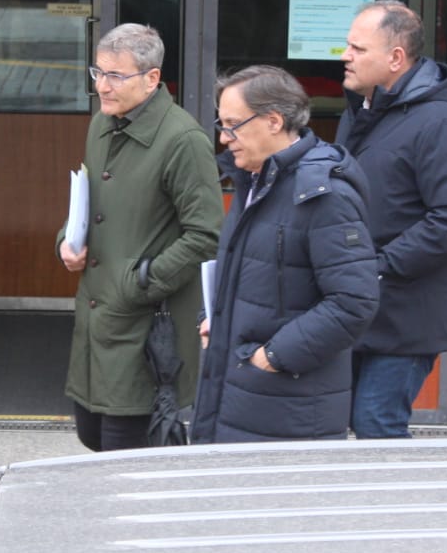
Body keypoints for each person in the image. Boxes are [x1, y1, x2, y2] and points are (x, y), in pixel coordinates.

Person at [190, 66, 379, 443]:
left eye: (232, 125)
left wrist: (272, 357)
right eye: (221, 125)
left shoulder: (323, 194)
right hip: (243, 394)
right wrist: (213, 316)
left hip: (285, 406)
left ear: (273, 121)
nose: (224, 138)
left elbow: (353, 302)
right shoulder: (254, 180)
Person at [58, 23, 223, 449]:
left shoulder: (183, 140)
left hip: (146, 321)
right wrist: (67, 239)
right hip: (97, 316)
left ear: (152, 79)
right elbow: (91, 202)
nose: (102, 87)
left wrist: (140, 282)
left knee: (127, 453)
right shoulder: (101, 123)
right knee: (91, 435)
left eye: (116, 76)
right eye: (97, 72)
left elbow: (205, 235)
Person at [335, 0, 447, 437]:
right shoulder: (365, 111)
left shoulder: (439, 123)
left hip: (407, 314)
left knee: (375, 424)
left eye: (358, 49)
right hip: (362, 304)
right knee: (344, 422)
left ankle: (393, 504)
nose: (346, 56)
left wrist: (380, 266)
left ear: (395, 58)